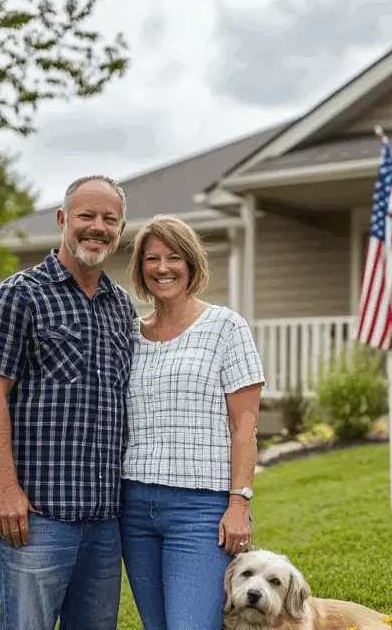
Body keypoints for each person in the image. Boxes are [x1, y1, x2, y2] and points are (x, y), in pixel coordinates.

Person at [0, 175, 136, 630]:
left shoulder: (119, 306)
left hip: (104, 523)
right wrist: (4, 488)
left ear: (120, 230)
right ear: (63, 220)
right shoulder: (20, 294)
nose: (97, 227)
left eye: (110, 219)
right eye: (87, 216)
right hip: (37, 519)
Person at [119, 214, 265, 630]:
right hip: (133, 507)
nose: (163, 268)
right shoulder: (128, 335)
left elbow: (245, 426)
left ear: (192, 264)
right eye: (152, 259)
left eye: (174, 257)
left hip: (200, 509)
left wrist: (239, 502)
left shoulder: (225, 327)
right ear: (140, 269)